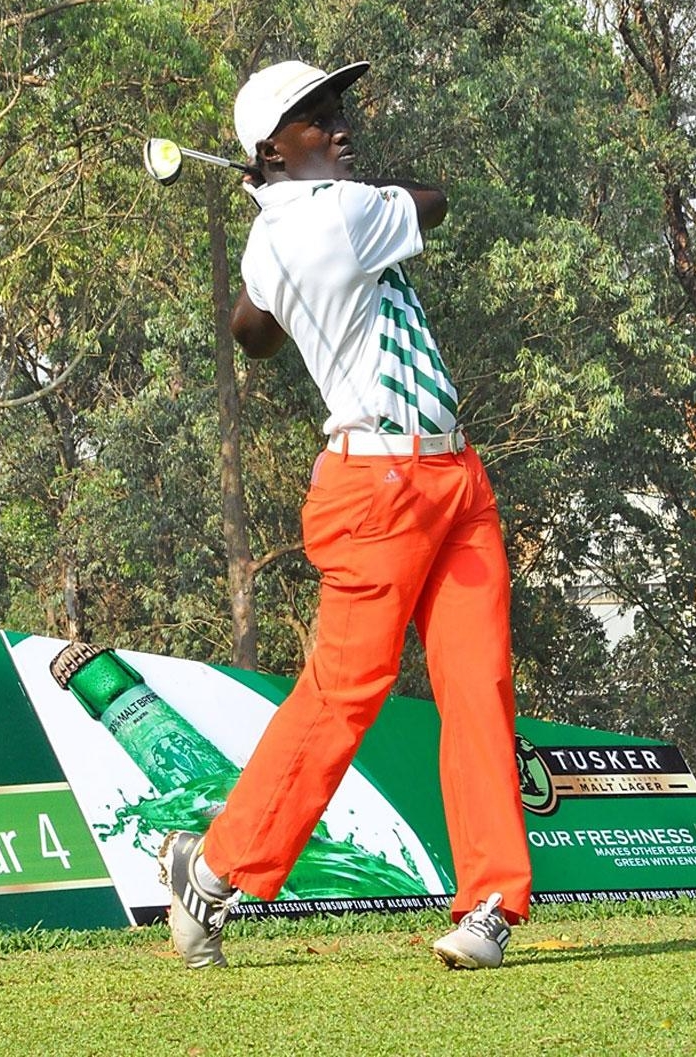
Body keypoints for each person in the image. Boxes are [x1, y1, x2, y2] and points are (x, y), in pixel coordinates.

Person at [157, 58, 532, 970]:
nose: (340, 124)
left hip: (453, 476)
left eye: (336, 108)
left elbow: (252, 332)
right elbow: (434, 200)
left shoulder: (281, 234)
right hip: (381, 492)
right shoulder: (343, 210)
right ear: (272, 148)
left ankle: (490, 899)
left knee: (476, 681)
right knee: (344, 695)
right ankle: (212, 868)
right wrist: (300, 201)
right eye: (315, 117)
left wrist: (276, 214)